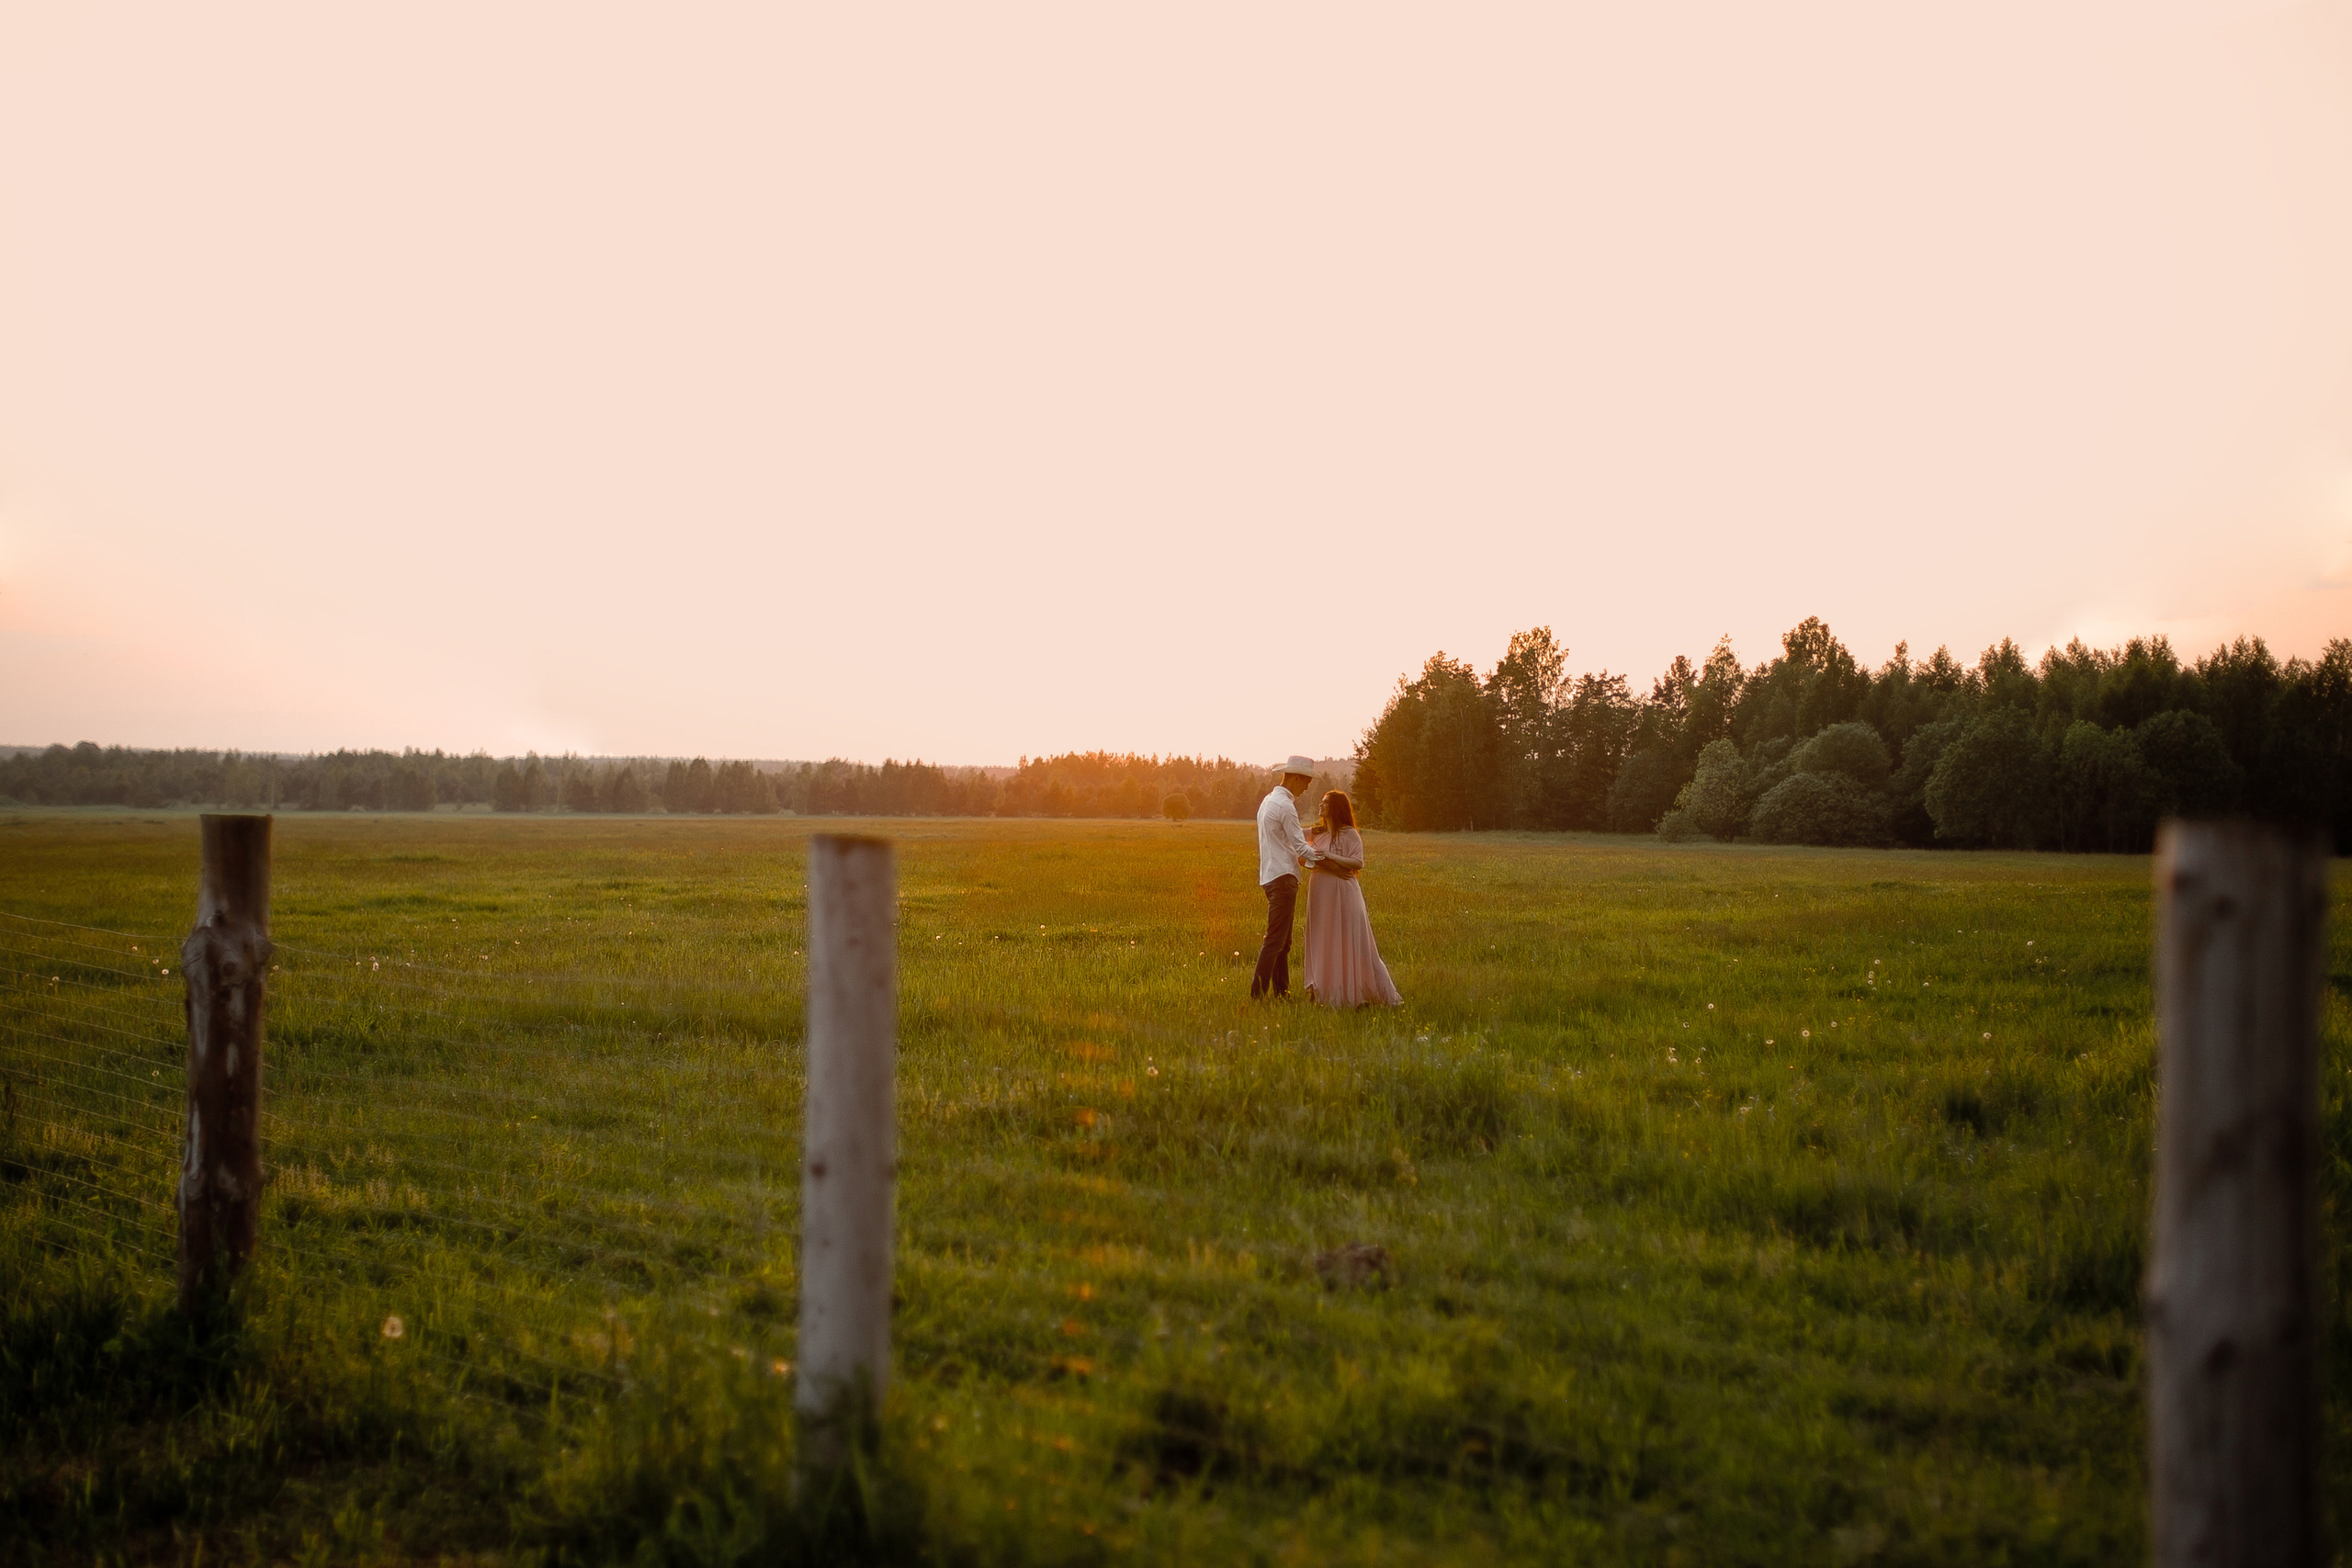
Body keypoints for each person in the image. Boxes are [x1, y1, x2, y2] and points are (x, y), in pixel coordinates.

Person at [1302, 789, 1402, 1008]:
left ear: (1336, 808)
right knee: (1324, 937)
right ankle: (1324, 990)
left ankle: (1356, 992)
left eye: (1325, 802)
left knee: (1349, 939)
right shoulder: (1316, 833)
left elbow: (1357, 862)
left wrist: (1329, 856)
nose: (1320, 805)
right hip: (1321, 892)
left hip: (1345, 893)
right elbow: (1296, 846)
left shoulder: (1349, 834)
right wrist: (1330, 865)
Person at [1250, 756, 1321, 998]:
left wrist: (1315, 831)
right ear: (1295, 777)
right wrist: (1328, 860)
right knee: (1275, 941)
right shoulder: (1286, 806)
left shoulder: (1268, 802)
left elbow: (1286, 833)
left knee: (1282, 943)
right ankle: (1257, 995)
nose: (1307, 788)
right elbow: (1301, 848)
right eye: (1306, 782)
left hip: (1270, 877)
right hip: (1283, 879)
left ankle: (1282, 993)